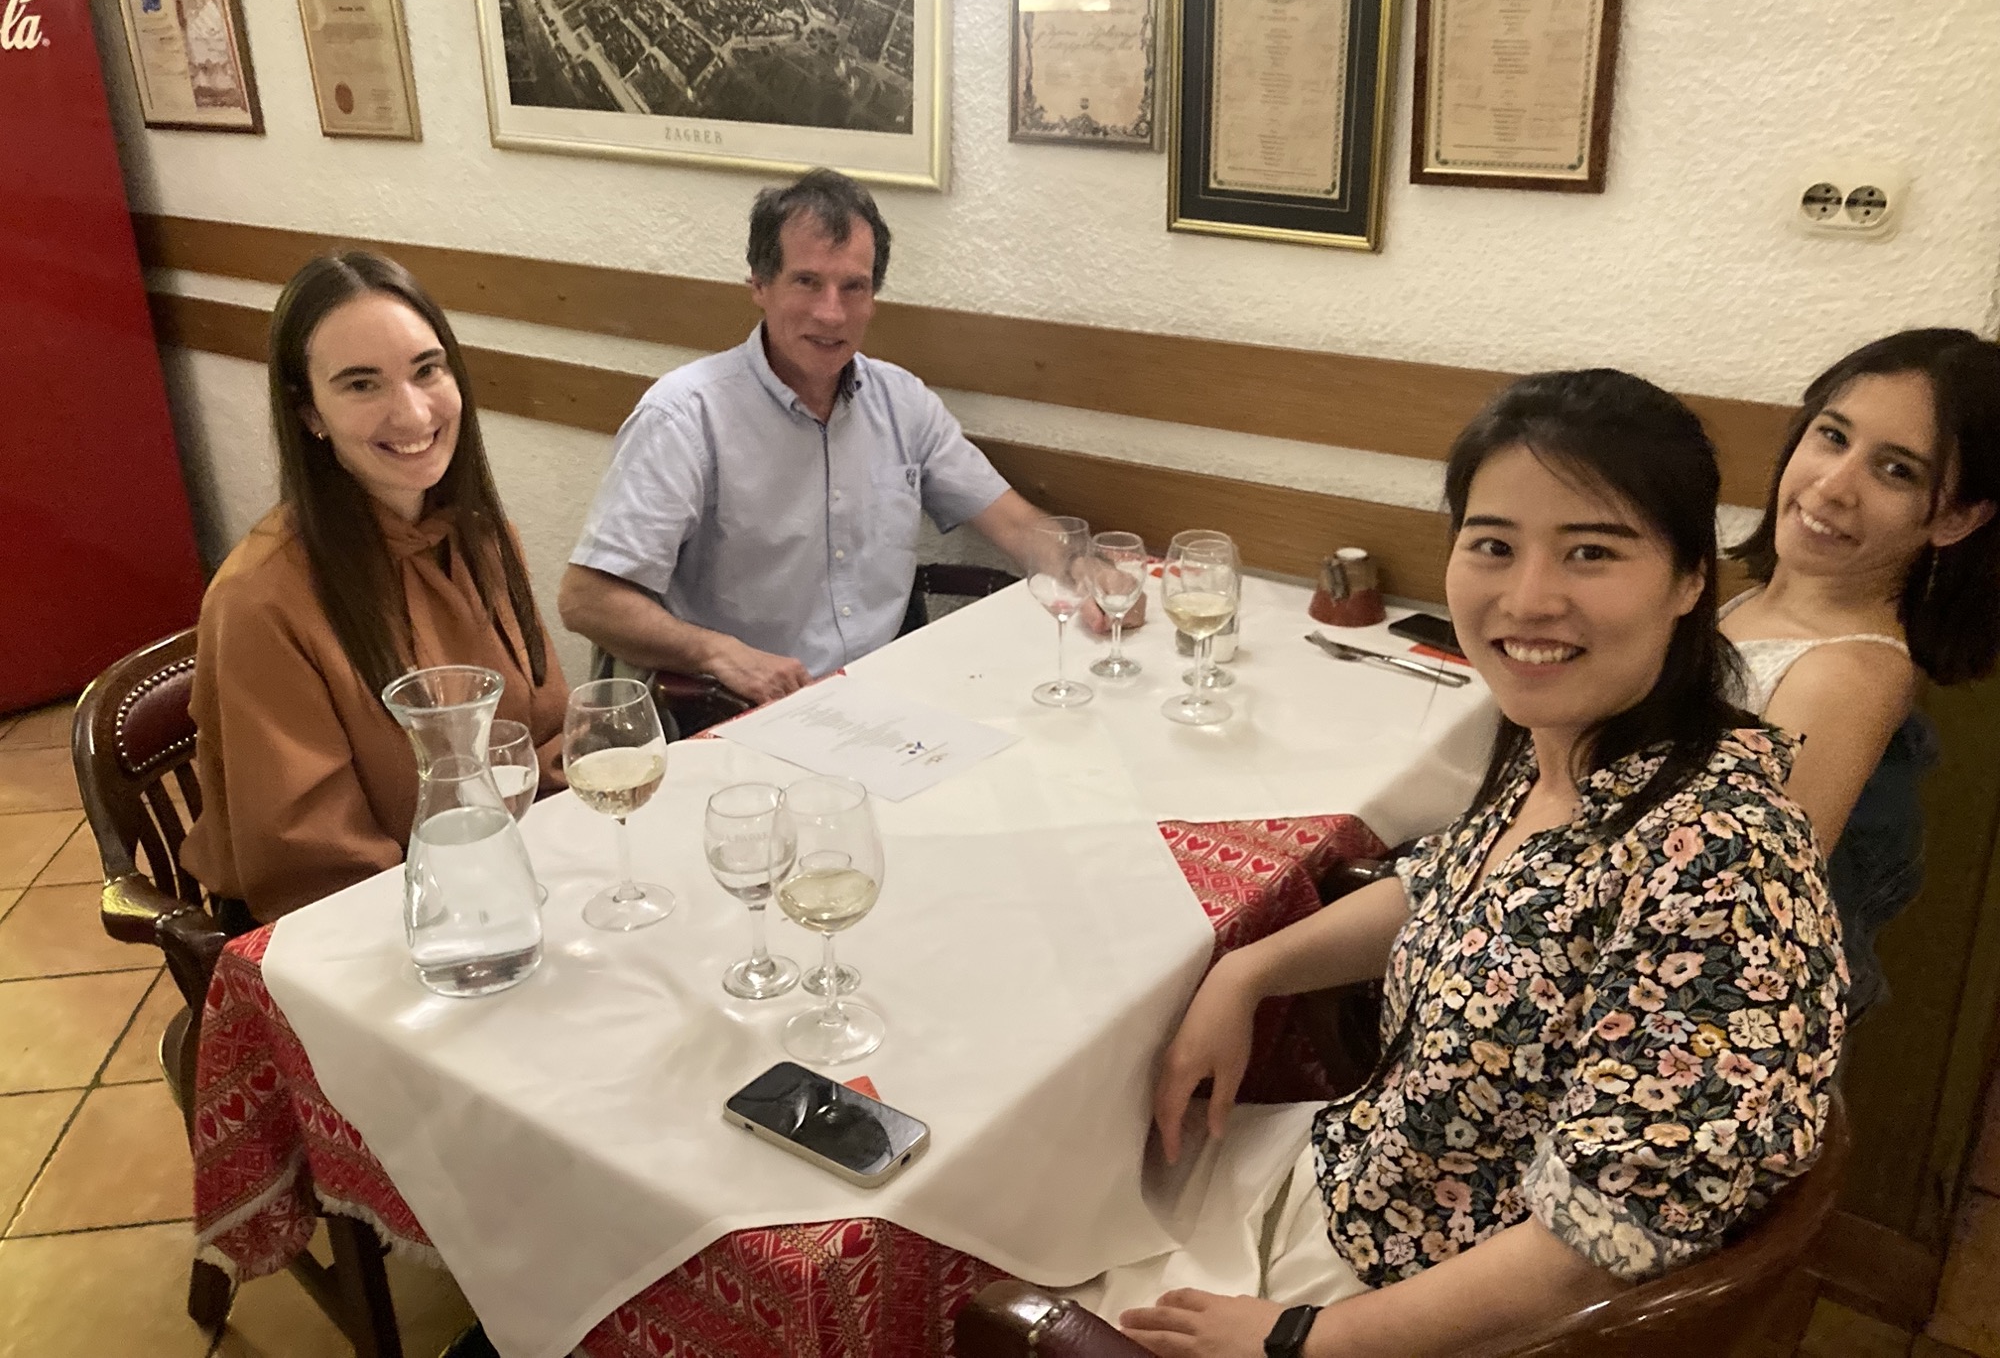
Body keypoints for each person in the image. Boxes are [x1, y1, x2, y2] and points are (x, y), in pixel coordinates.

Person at [1101, 370, 1844, 1358]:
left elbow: (1601, 1241)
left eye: (1590, 552)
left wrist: (1301, 1339)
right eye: (1493, 545)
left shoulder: (1721, 855)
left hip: (1429, 1300)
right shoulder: (1570, 749)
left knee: (1038, 1273)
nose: (1527, 600)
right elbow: (1445, 888)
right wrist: (1249, 970)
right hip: (1373, 1178)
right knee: (1083, 1162)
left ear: (1687, 581)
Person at [557, 168, 1129, 705]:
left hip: (890, 694)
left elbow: (1017, 525)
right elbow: (586, 601)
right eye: (807, 282)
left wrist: (1088, 570)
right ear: (760, 285)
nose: (831, 314)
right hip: (744, 709)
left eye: (853, 287)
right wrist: (718, 652)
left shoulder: (902, 402)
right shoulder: (685, 416)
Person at [181, 252, 568, 924]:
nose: (412, 413)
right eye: (362, 385)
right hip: (371, 921)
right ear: (310, 414)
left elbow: (546, 742)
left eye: (427, 370)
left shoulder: (480, 536)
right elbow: (318, 870)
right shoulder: (259, 601)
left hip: (505, 878)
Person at [1721, 329, 1999, 1014]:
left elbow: (1731, 914)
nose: (1832, 486)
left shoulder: (1844, 678)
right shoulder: (1753, 605)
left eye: (1896, 470)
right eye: (1833, 436)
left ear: (1957, 518)